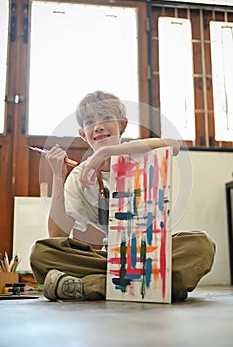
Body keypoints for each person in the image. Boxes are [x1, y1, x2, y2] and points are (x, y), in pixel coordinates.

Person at [30, 90, 216, 302]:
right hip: (109, 258)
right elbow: (56, 237)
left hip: (151, 253)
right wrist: (57, 176)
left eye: (107, 118)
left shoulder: (141, 154)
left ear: (123, 124)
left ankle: (89, 286)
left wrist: (105, 153)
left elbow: (173, 145)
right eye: (90, 121)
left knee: (201, 245)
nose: (98, 126)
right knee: (42, 253)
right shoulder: (79, 176)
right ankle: (160, 284)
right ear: (84, 134)